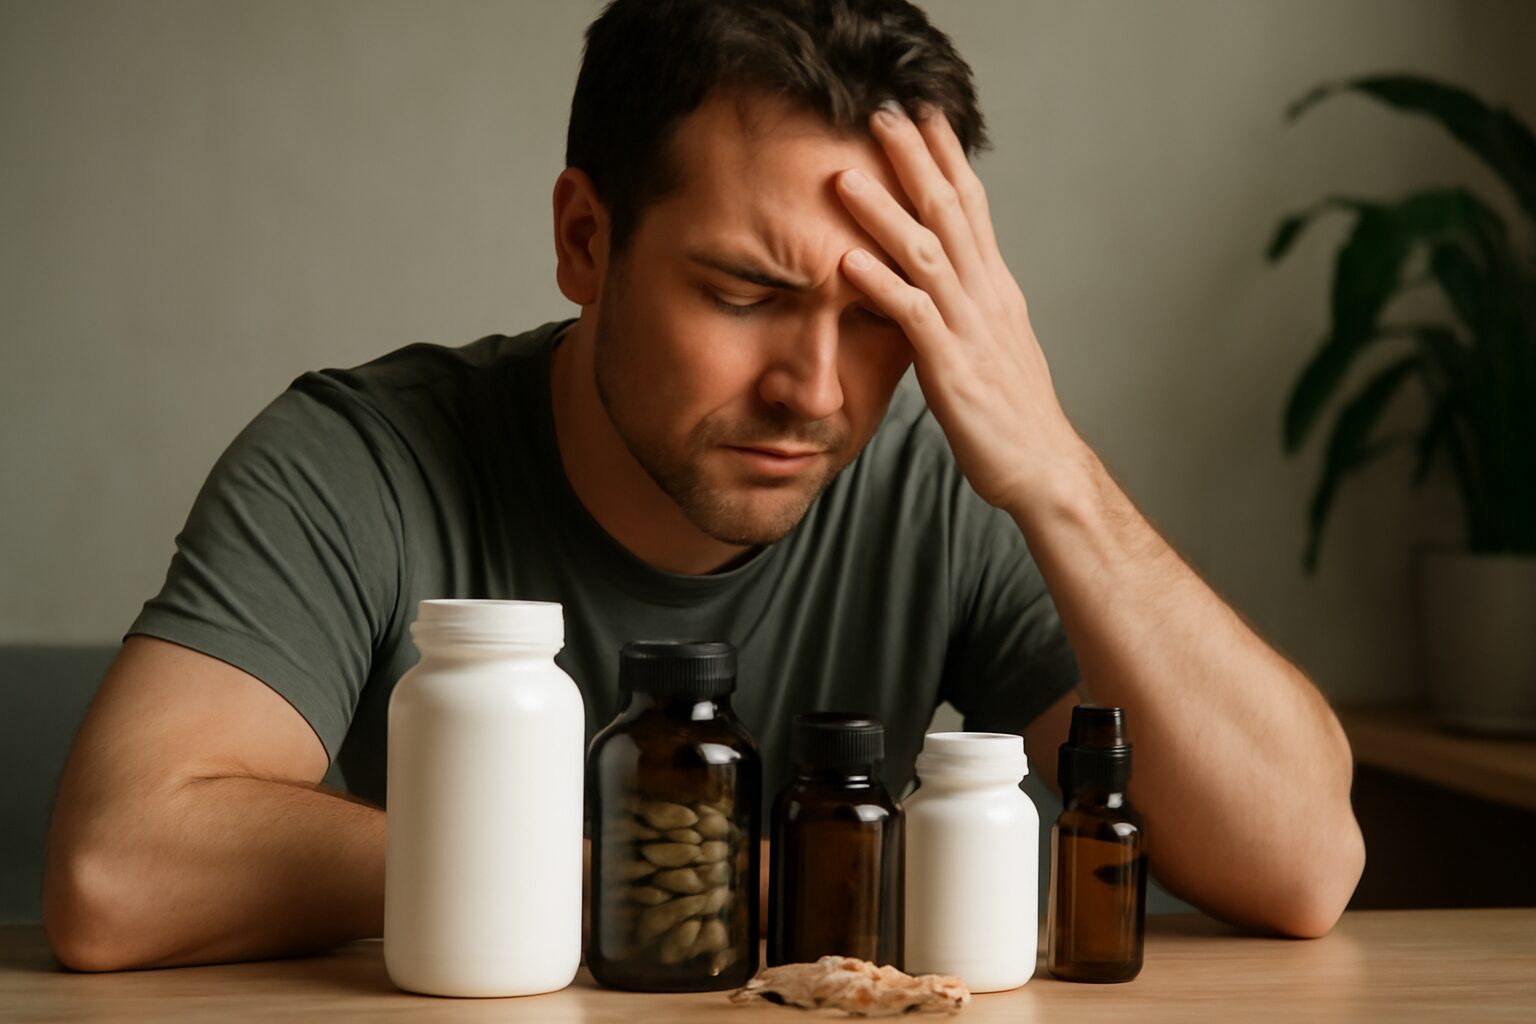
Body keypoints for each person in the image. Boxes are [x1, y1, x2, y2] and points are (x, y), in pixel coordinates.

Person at [42, 0, 1363, 973]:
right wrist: (681, 886)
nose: (820, 388)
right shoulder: (363, 458)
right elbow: (122, 871)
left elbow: (1303, 862)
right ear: (584, 240)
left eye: (881, 314)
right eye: (747, 295)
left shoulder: (948, 480)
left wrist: (1058, 470)